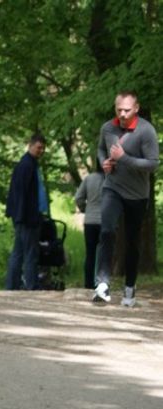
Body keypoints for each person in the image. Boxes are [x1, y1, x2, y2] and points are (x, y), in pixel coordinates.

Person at [93, 91, 158, 307]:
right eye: (118, 109)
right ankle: (102, 285)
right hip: (113, 187)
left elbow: (152, 164)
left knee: (132, 242)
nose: (122, 114)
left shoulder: (146, 131)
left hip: (137, 195)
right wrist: (104, 163)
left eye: (127, 110)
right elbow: (101, 150)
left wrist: (124, 159)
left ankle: (129, 287)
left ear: (136, 109)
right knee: (107, 230)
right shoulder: (107, 128)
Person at [4, 132, 48, 291]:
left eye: (43, 148)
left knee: (19, 252)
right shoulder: (26, 166)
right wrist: (22, 217)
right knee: (30, 253)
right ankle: (31, 285)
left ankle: (12, 286)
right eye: (38, 147)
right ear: (30, 146)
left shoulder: (30, 164)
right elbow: (20, 194)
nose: (41, 151)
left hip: (26, 216)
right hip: (27, 217)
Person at [74, 165, 104, 290]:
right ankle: (102, 283)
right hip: (105, 222)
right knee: (104, 254)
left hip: (90, 221)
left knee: (90, 254)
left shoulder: (88, 179)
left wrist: (85, 209)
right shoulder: (112, 179)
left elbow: (78, 198)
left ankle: (88, 284)